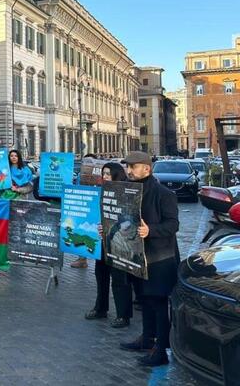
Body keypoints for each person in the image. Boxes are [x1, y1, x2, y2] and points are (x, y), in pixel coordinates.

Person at [118, 151, 179, 367]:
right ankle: (146, 338)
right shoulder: (127, 191)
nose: (129, 171)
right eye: (127, 167)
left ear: (147, 168)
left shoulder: (164, 193)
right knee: (144, 299)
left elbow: (173, 225)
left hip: (159, 258)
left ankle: (161, 349)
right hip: (135, 256)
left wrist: (150, 230)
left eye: (133, 167)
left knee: (158, 303)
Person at [84, 162, 132, 328]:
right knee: (101, 275)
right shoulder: (101, 191)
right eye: (103, 174)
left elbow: (129, 218)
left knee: (119, 279)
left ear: (117, 175)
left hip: (119, 243)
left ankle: (123, 315)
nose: (104, 177)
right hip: (103, 242)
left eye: (108, 174)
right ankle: (100, 308)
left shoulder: (126, 192)